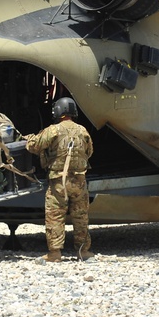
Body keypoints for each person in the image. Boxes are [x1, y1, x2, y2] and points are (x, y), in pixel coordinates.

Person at [25, 97, 94, 262]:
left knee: (55, 216)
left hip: (58, 182)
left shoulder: (53, 130)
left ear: (58, 112)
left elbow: (34, 146)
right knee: (81, 217)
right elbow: (89, 151)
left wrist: (29, 139)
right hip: (79, 181)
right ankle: (83, 252)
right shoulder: (83, 131)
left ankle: (55, 254)